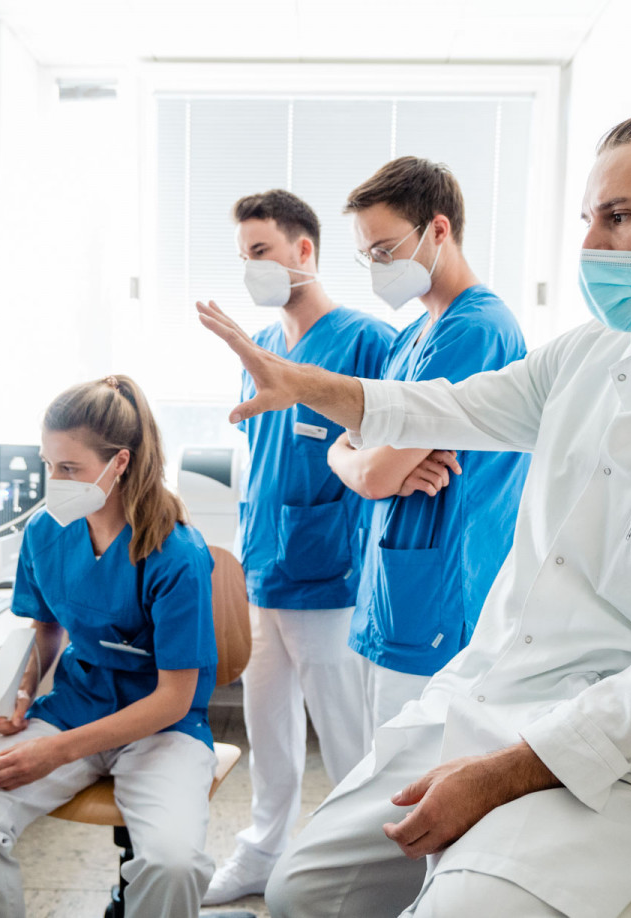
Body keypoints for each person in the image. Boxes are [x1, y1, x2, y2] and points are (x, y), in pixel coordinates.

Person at [196, 103, 631, 917]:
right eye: (589, 218)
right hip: (487, 695)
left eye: (618, 217)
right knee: (304, 889)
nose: (591, 246)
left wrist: (500, 774)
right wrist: (302, 383)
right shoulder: (590, 355)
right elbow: (440, 406)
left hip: (621, 772)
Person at [0, 375, 219, 918]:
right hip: (74, 707)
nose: (53, 481)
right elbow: (46, 626)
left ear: (120, 463)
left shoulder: (177, 553)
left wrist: (56, 751)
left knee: (172, 864)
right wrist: (23, 694)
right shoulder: (45, 531)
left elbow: (174, 699)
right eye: (47, 465)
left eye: (69, 468)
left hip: (162, 728)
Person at [201, 190, 395, 905]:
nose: (251, 268)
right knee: (266, 730)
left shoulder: (366, 341)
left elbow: (392, 447)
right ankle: (262, 850)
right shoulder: (259, 355)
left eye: (261, 252)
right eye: (244, 256)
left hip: (330, 576)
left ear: (303, 252)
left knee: (347, 739)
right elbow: (261, 466)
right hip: (265, 571)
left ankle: (361, 868)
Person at [328, 157, 529, 735]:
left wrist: (369, 465)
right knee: (382, 769)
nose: (377, 267)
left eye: (386, 249)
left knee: (409, 785)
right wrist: (364, 461)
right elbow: (355, 454)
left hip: (441, 593)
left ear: (439, 230)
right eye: (368, 255)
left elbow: (373, 477)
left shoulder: (478, 331)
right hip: (395, 591)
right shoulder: (413, 336)